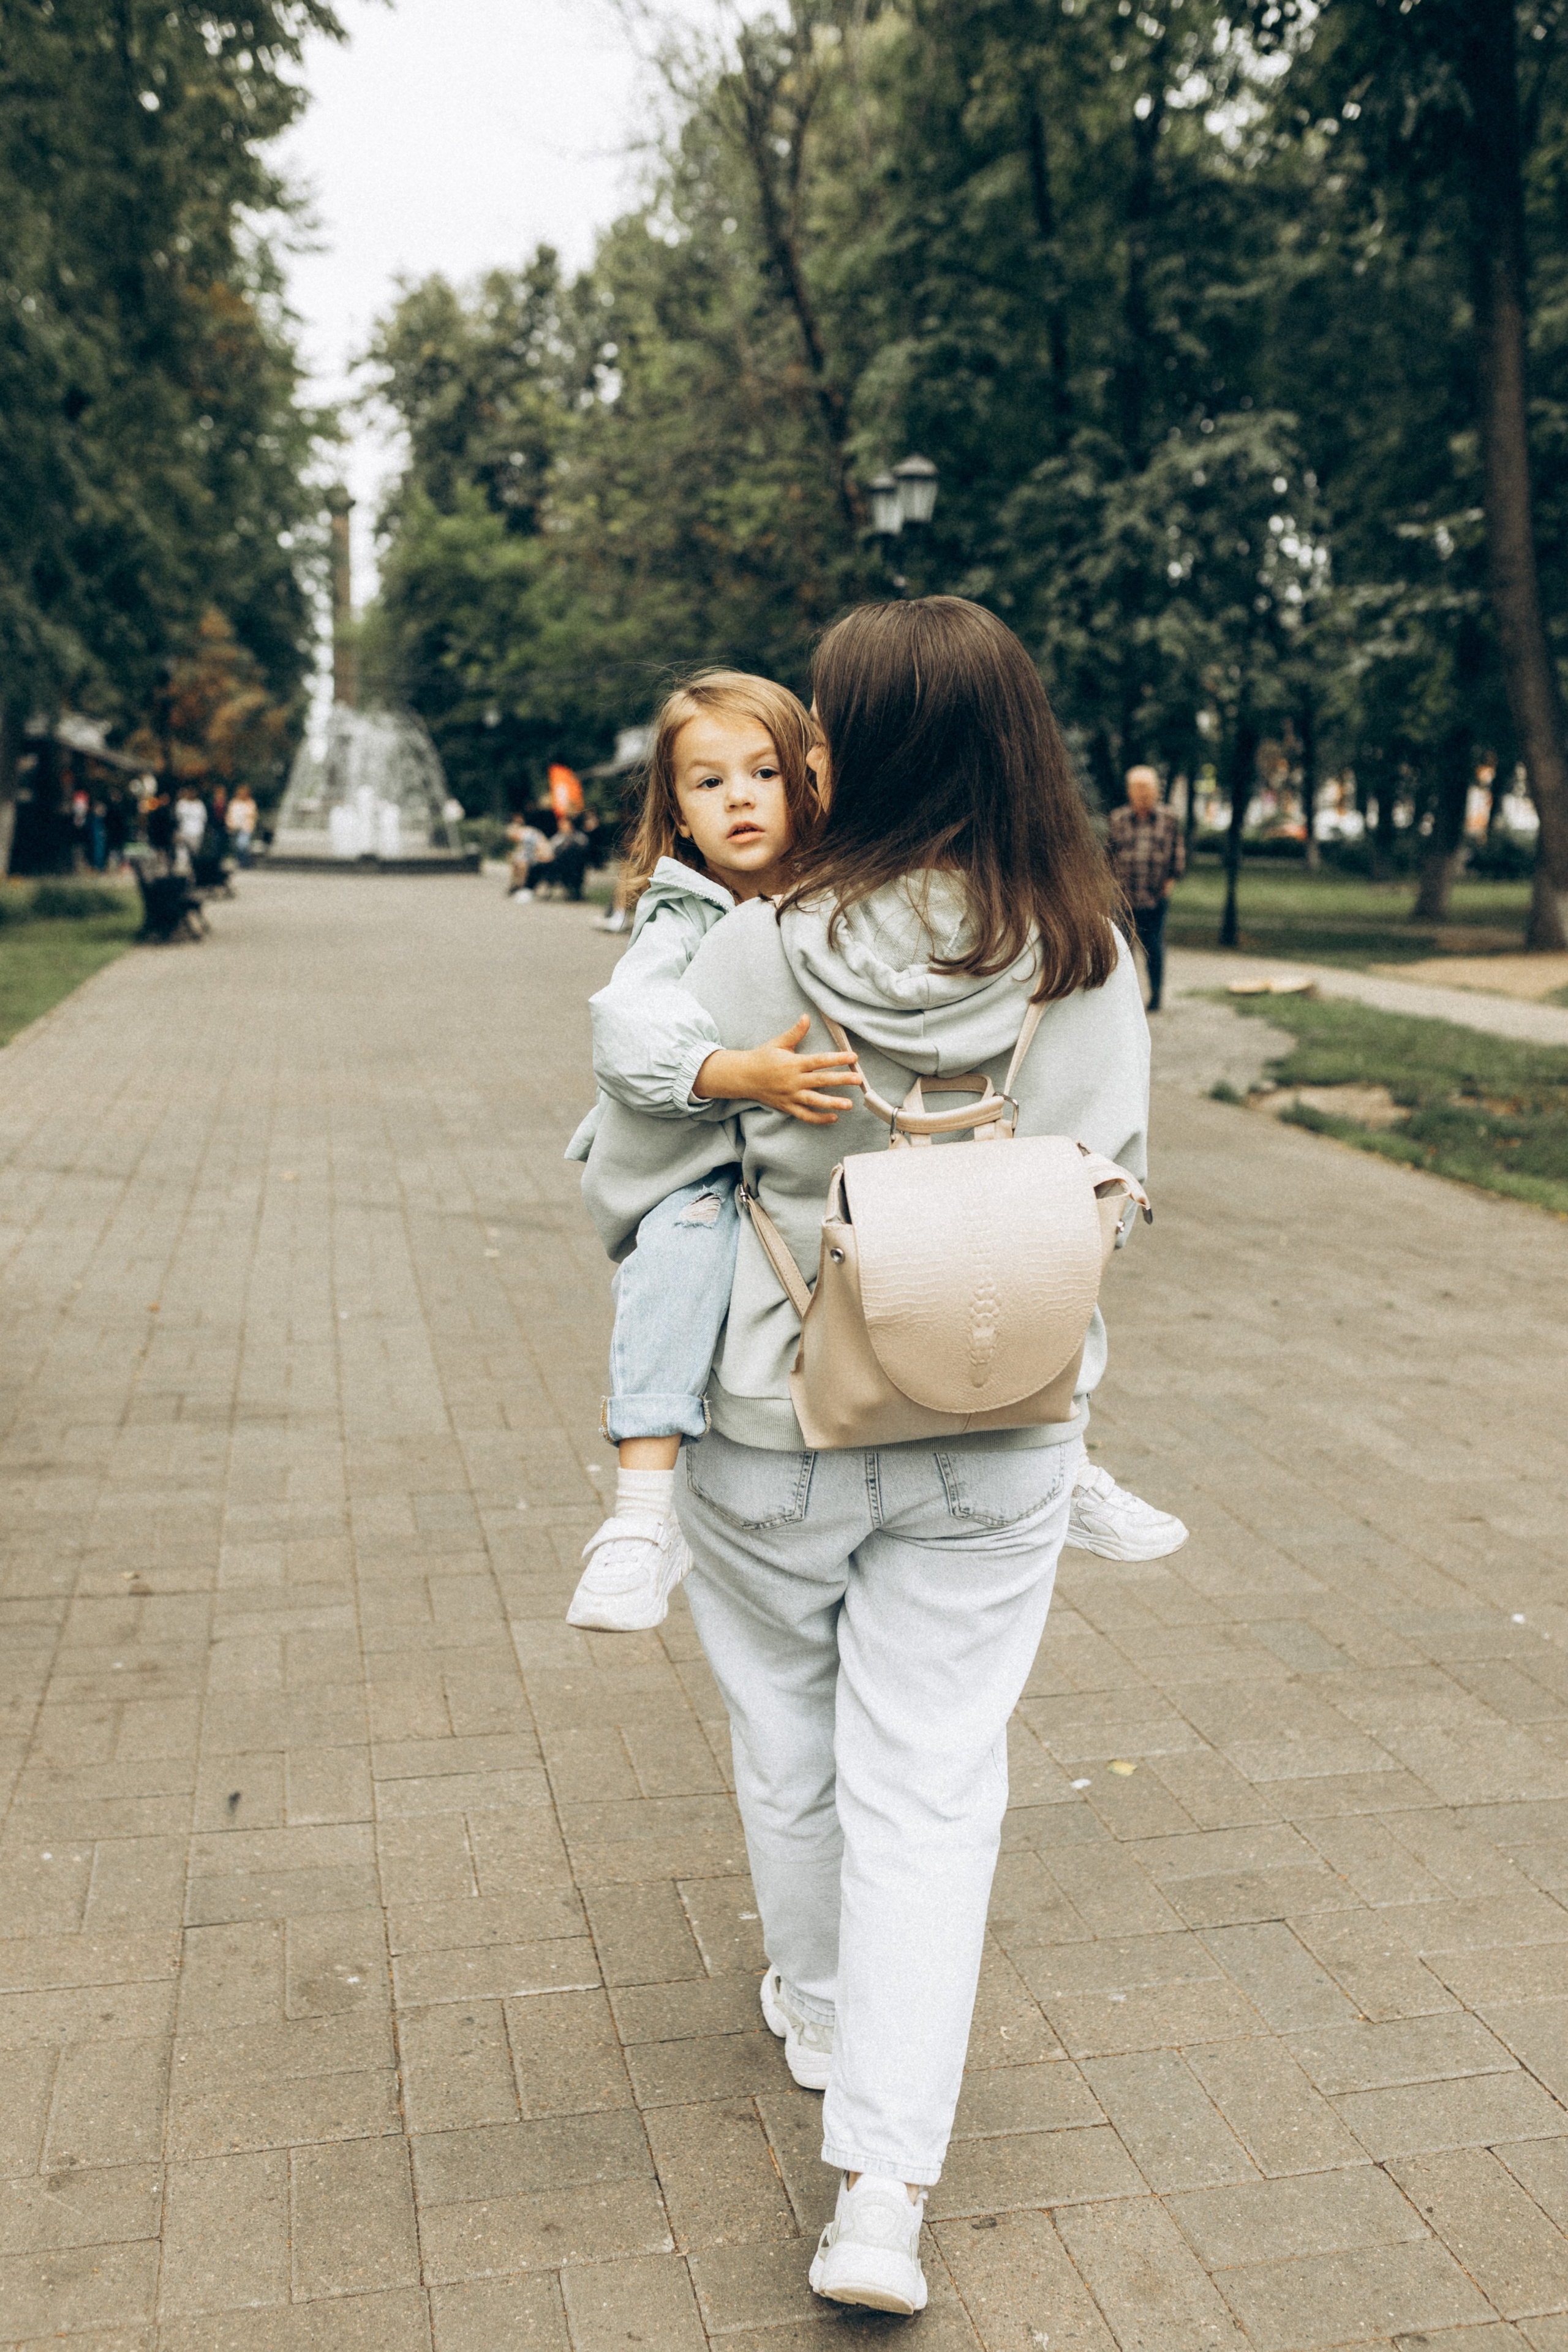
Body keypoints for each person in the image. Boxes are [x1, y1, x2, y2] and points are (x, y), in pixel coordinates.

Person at [578, 598, 1159, 2313]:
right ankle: (881, 2198)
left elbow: (629, 1182)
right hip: (1004, 1421)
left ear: (855, 746)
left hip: (778, 1412)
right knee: (935, 1787)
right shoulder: (1085, 949)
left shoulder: (758, 943)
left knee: (788, 1731)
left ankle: (820, 2000)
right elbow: (1111, 1187)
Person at [563, 673, 858, 1631]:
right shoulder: (679, 917)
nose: (739, 797)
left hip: (817, 1165)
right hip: (701, 1171)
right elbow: (626, 1032)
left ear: (805, 783)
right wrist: (739, 1072)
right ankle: (643, 1516)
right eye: (707, 782)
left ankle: (1053, 1459)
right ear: (678, 817)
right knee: (684, 1249)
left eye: (764, 771)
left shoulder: (837, 899)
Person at [1107, 763, 1184, 1012]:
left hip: (1155, 897)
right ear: (1130, 792)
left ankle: (1156, 996)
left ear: (1156, 791)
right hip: (1124, 899)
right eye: (1138, 788)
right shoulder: (1118, 818)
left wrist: (1170, 882)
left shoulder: (1169, 819)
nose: (1142, 794)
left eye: (1147, 788)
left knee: (1154, 949)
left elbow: (1177, 853)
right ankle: (1123, 1001)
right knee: (1122, 951)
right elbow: (1108, 855)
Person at [227, 786, 258, 868]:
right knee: (237, 846)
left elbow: (254, 815)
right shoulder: (234, 802)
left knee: (243, 845)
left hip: (246, 828)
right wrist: (229, 824)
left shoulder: (250, 803)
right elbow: (230, 814)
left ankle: (245, 861)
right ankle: (240, 861)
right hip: (235, 827)